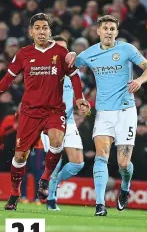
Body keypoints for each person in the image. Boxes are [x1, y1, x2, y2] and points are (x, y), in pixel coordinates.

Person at [66, 15, 147, 216]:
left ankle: (125, 186)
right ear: (98, 31)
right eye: (105, 28)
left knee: (123, 164)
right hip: (104, 112)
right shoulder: (90, 53)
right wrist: (71, 53)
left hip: (126, 112)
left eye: (112, 29)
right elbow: (70, 69)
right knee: (101, 156)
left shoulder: (127, 49)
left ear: (117, 32)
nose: (108, 31)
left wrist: (139, 81)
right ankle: (100, 205)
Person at [0, 13, 89, 211]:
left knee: (57, 141)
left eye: (45, 28)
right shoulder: (24, 53)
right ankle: (15, 192)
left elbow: (74, 76)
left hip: (54, 110)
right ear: (31, 32)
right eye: (38, 28)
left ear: (50, 31)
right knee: (20, 157)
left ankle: (46, 178)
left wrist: (80, 98)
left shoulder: (60, 51)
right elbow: (8, 78)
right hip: (30, 112)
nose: (42, 31)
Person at [41, 35, 85, 211]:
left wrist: (82, 104)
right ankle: (51, 200)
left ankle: (50, 182)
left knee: (78, 163)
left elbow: (76, 94)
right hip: (48, 122)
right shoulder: (42, 70)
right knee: (56, 161)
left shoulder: (74, 71)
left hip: (69, 121)